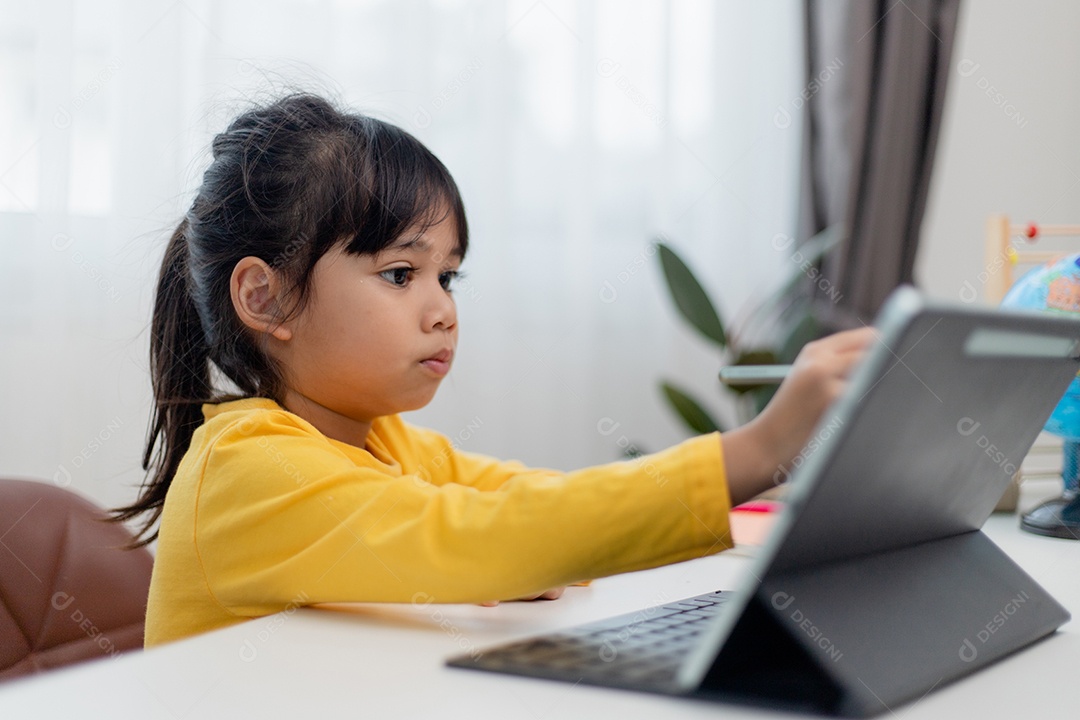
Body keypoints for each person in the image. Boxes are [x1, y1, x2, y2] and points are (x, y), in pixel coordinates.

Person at [111, 93, 875, 646]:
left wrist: (515, 549)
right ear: (264, 297)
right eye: (400, 274)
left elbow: (528, 507)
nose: (442, 309)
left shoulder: (390, 444)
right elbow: (488, 532)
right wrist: (759, 449)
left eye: (450, 277)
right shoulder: (250, 467)